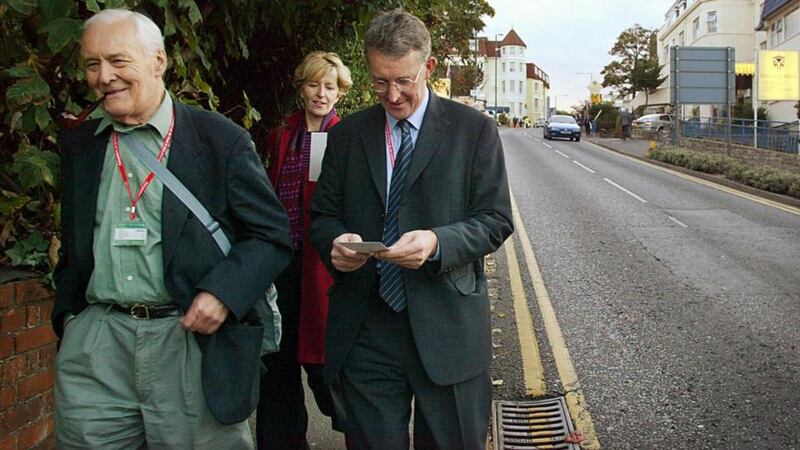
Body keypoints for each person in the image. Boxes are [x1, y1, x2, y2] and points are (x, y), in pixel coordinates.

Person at [53, 9, 292, 448]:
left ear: (158, 61)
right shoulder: (80, 145)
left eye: (118, 61)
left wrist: (223, 292)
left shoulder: (218, 139)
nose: (103, 76)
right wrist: (71, 320)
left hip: (186, 342)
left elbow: (272, 236)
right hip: (98, 344)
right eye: (92, 64)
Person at [310, 9, 513, 449]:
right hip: (366, 326)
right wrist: (336, 244)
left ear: (429, 67)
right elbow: (323, 216)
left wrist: (438, 241)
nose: (393, 95)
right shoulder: (347, 136)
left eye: (404, 80)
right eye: (380, 82)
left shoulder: (473, 130)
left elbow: (495, 220)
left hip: (447, 325)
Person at [257, 51, 352, 449]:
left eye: (329, 86)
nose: (321, 93)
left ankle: (364, 433)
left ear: (339, 94)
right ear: (301, 88)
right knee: (277, 362)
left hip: (322, 270)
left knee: (323, 365)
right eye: (314, 84)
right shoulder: (282, 134)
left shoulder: (346, 137)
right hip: (282, 264)